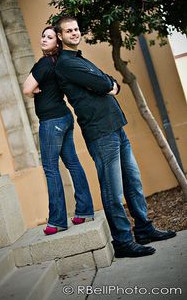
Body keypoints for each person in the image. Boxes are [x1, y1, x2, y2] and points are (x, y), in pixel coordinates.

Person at [54, 16, 176, 257]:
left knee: (133, 181)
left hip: (116, 126)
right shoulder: (66, 64)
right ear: (60, 36)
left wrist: (107, 83)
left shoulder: (80, 59)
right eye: (69, 31)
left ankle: (143, 229)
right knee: (113, 190)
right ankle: (122, 241)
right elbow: (102, 84)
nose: (75, 33)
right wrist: (106, 83)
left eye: (77, 29)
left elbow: (108, 81)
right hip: (100, 132)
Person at [23, 26, 94, 235]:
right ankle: (85, 210)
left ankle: (57, 221)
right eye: (43, 35)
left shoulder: (44, 63)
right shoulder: (60, 63)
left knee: (51, 169)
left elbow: (27, 88)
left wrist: (34, 89)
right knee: (72, 163)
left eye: (50, 37)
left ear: (57, 42)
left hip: (51, 121)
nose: (44, 39)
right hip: (64, 117)